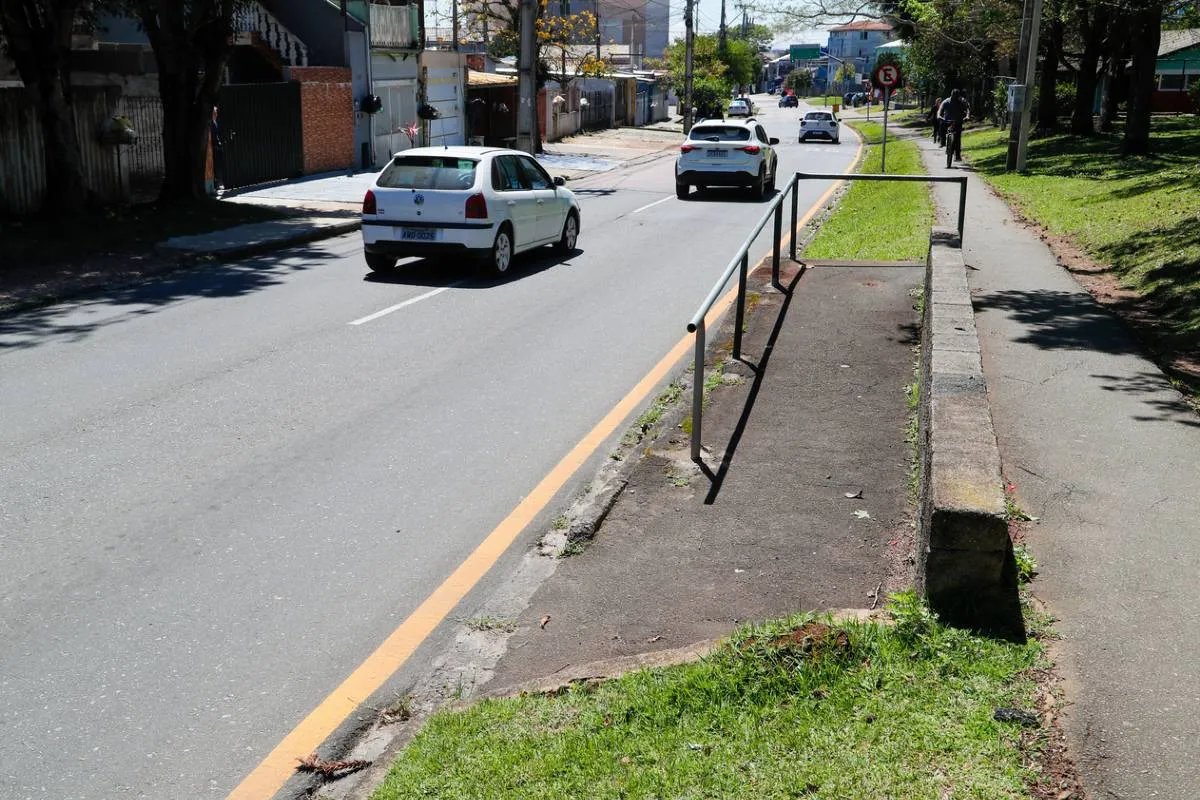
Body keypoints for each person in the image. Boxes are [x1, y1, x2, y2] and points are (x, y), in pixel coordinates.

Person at [938, 89, 971, 161]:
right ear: (951, 95)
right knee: (942, 126)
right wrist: (939, 116)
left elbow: (968, 109)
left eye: (956, 97)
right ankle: (942, 141)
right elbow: (940, 109)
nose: (955, 99)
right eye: (953, 97)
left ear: (958, 96)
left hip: (958, 121)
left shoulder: (962, 101)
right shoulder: (946, 101)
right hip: (947, 121)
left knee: (958, 138)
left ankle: (957, 155)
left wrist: (967, 116)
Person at [210, 105, 225, 191]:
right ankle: (216, 184)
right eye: (214, 113)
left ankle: (220, 182)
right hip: (214, 147)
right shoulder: (211, 123)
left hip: (218, 146)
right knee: (215, 166)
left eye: (216, 112)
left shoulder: (216, 122)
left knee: (219, 165)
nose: (216, 114)